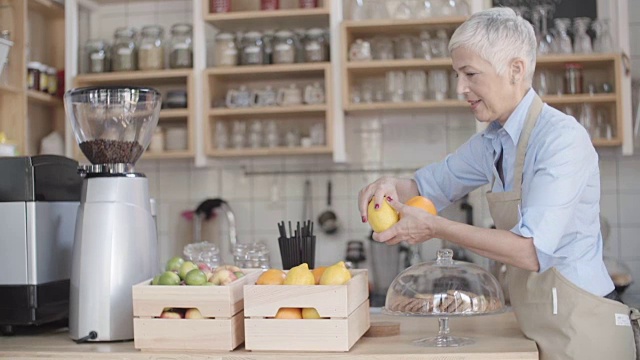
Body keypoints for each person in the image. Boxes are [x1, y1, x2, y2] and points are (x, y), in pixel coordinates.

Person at [358, 8, 636, 360]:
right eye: (458, 74)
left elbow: (529, 250)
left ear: (515, 70)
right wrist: (386, 188)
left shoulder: (562, 140)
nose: (461, 88)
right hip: (535, 327)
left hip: (585, 333)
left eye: (470, 74)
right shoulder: (492, 141)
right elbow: (425, 186)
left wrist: (435, 227)